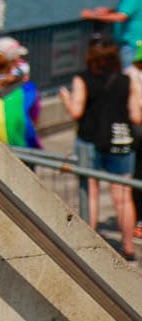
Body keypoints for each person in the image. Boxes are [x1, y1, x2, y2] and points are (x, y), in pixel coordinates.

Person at [60, 38, 140, 257]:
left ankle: (89, 243)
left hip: (89, 140)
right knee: (123, 195)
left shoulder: (83, 79)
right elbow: (136, 115)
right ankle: (129, 247)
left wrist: (65, 99)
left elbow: (76, 112)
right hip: (120, 140)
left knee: (90, 192)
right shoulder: (126, 80)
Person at [80, 0, 142, 66]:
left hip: (131, 45)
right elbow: (129, 11)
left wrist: (91, 15)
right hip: (132, 44)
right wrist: (110, 11)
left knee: (130, 76)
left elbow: (121, 17)